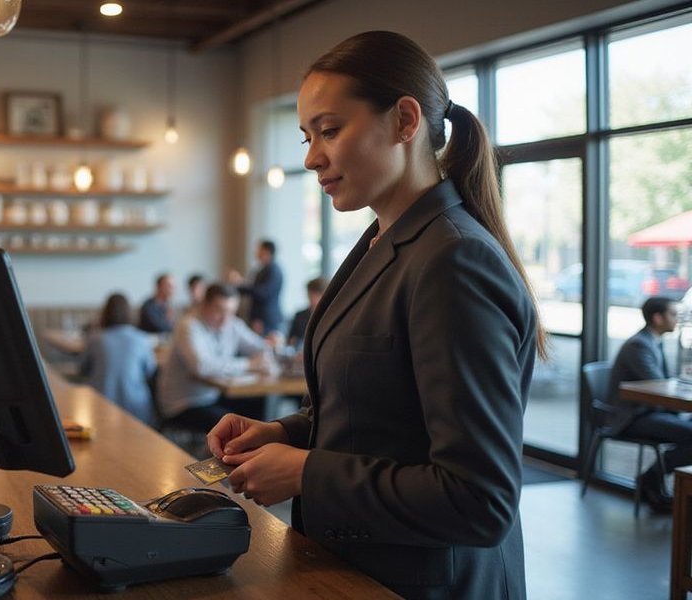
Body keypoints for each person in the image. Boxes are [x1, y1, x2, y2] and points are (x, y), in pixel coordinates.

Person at [207, 31, 542, 600]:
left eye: (330, 130)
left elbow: (478, 500)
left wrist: (305, 472)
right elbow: (382, 411)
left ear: (405, 120)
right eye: (307, 136)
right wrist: (284, 433)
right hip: (358, 568)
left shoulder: (453, 260)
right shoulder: (384, 242)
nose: (312, 157)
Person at [156, 283, 275, 432]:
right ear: (205, 305)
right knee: (234, 426)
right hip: (183, 404)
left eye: (231, 312)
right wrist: (249, 364)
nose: (225, 319)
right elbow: (202, 366)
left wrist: (269, 349)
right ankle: (230, 451)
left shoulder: (232, 323)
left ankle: (253, 451)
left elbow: (261, 347)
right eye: (219, 310)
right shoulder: (188, 326)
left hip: (212, 395)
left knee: (259, 405)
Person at [609, 296, 687, 512]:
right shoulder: (639, 345)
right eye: (673, 314)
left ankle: (653, 479)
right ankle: (651, 479)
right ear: (657, 318)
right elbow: (659, 387)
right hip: (633, 416)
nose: (677, 319)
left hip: (649, 412)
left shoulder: (653, 341)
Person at [80, 293, 158, 424]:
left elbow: (83, 369)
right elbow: (150, 371)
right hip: (136, 408)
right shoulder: (143, 339)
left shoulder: (94, 339)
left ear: (105, 313)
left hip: (99, 404)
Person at [228, 239, 284, 335]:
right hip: (259, 317)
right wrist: (238, 284)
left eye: (259, 249)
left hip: (265, 318)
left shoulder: (273, 270)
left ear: (266, 251)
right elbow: (252, 288)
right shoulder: (261, 270)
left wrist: (241, 283)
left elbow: (263, 293)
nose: (256, 252)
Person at [286, 277, 328, 352]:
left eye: (315, 295)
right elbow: (290, 340)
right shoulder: (299, 315)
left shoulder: (329, 317)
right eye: (309, 294)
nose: (311, 298)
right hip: (297, 355)